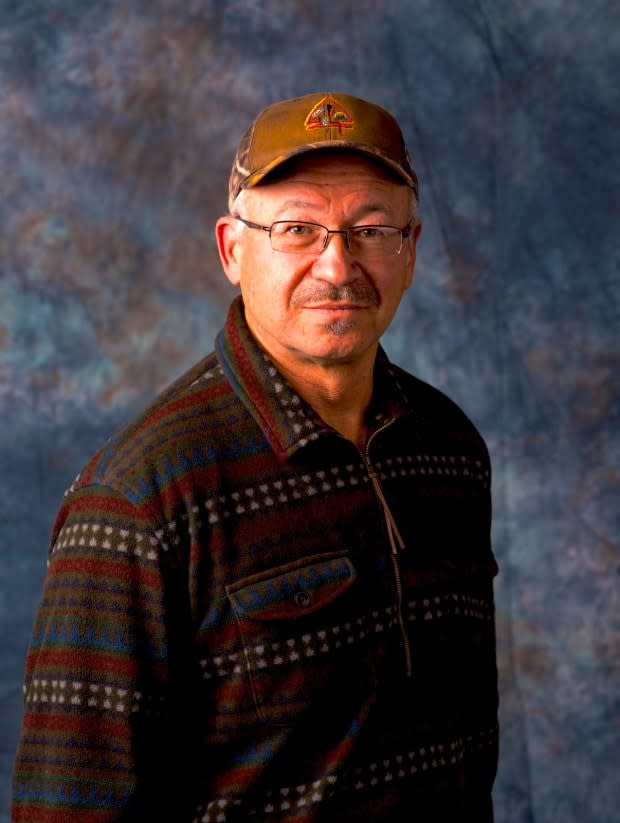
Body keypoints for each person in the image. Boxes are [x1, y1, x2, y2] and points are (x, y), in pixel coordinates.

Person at [12, 92, 499, 822]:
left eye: (370, 228)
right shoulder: (138, 501)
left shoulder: (449, 449)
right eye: (298, 228)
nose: (337, 264)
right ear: (232, 250)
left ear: (411, 248)